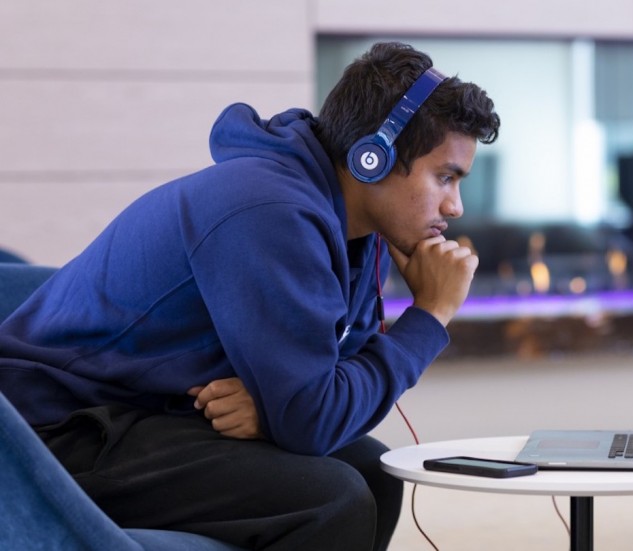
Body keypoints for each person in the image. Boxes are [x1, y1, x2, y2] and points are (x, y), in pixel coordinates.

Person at [0, 41, 500, 550]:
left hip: (148, 412)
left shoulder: (359, 227)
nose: (454, 206)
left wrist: (276, 407)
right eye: (445, 178)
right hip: (50, 433)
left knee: (376, 471)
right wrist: (430, 315)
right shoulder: (268, 210)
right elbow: (315, 417)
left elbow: (329, 381)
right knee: (332, 497)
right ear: (372, 158)